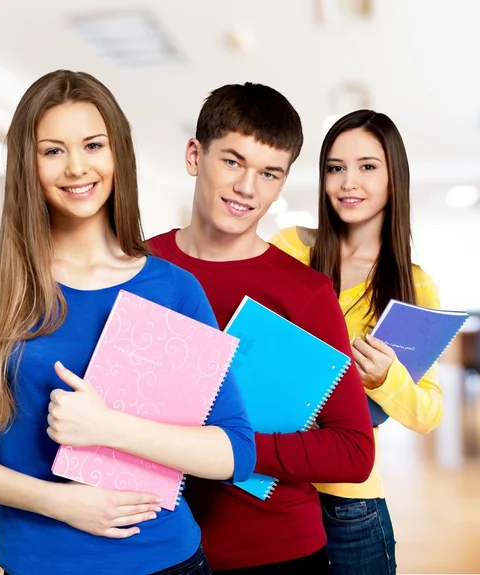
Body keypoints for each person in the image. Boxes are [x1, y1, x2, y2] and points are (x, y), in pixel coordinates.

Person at [0, 70, 256, 575]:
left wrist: (107, 428)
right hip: (39, 560)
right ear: (27, 164)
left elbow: (234, 451)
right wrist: (60, 502)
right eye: (52, 150)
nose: (76, 167)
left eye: (93, 145)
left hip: (166, 558)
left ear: (117, 153)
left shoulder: (173, 287)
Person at [148, 83, 375, 574]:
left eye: (269, 173)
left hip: (277, 551)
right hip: (150, 547)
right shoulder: (133, 266)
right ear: (195, 155)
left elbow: (354, 451)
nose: (248, 188)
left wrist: (228, 449)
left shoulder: (305, 291)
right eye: (232, 161)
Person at [270, 109, 444, 575]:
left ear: (394, 178)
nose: (349, 182)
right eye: (335, 167)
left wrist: (386, 379)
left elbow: (428, 413)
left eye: (368, 166)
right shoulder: (289, 249)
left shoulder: (413, 287)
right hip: (268, 486)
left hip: (349, 506)